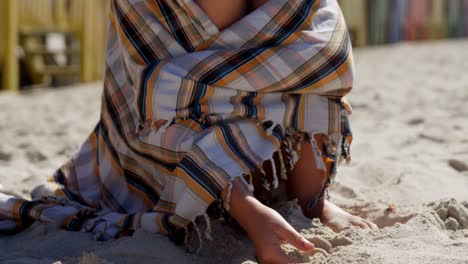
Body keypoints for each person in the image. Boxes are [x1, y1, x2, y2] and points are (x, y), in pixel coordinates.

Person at [0, 0, 376, 263]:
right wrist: (246, 211)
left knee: (306, 58)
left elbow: (329, 63)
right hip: (165, 160)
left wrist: (311, 201)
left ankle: (312, 199)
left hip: (268, 159)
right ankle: (241, 199)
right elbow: (158, 112)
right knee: (172, 90)